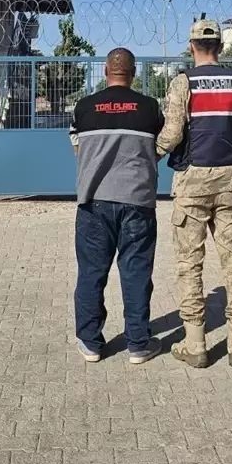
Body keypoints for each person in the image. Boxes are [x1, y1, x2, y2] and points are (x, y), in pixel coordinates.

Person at [157, 17, 232, 369]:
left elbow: (172, 135)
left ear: (191, 47)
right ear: (220, 46)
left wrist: (146, 156)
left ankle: (196, 345)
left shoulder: (183, 83)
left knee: (190, 263)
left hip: (193, 182)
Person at [69, 47, 165, 364]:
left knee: (91, 274)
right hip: (137, 201)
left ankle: (91, 343)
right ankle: (138, 344)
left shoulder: (84, 107)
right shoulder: (150, 108)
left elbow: (78, 149)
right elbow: (163, 143)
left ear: (105, 71)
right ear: (133, 73)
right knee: (136, 273)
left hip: (93, 202)